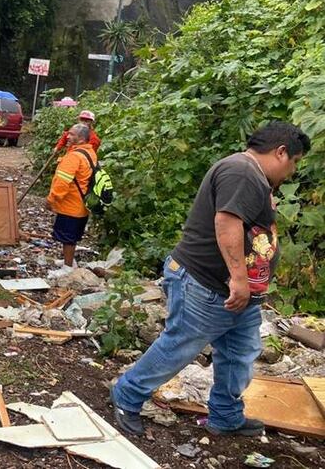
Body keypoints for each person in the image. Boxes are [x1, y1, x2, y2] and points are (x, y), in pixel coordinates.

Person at [111, 122, 310, 438]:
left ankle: (226, 416)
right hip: (206, 284)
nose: (293, 170)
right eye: (295, 162)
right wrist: (240, 280)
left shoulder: (250, 175)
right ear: (281, 152)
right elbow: (227, 223)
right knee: (181, 345)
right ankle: (127, 395)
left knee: (239, 353)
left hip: (233, 292)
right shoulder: (242, 171)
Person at [46, 123, 96, 267]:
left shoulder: (74, 157)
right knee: (71, 237)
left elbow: (62, 182)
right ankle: (68, 261)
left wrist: (51, 199)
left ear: (81, 139)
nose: (68, 136)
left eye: (72, 134)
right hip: (81, 205)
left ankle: (67, 267)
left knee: (68, 238)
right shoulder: (90, 153)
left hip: (71, 205)